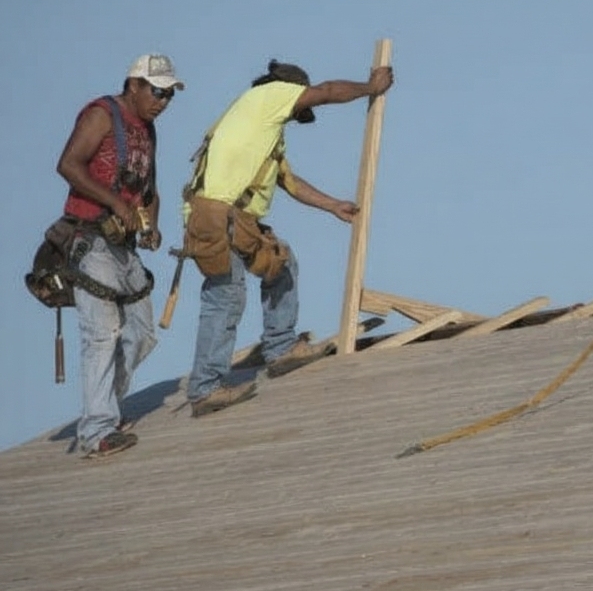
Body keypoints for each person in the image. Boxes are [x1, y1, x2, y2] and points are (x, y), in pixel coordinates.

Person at [180, 59, 394, 417]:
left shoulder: (263, 128)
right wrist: (369, 89)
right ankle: (205, 389)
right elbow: (325, 92)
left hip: (234, 217)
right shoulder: (269, 95)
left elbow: (288, 181)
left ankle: (280, 348)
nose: (297, 116)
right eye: (299, 108)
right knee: (226, 295)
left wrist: (332, 206)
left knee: (281, 263)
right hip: (218, 216)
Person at [56, 54, 183, 456]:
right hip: (89, 237)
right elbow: (68, 165)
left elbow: (150, 191)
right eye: (157, 91)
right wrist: (116, 203)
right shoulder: (102, 114)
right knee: (102, 334)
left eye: (168, 95)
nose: (162, 101)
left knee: (141, 334)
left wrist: (152, 225)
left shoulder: (147, 129)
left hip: (122, 246)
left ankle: (105, 410)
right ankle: (97, 430)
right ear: (134, 86)